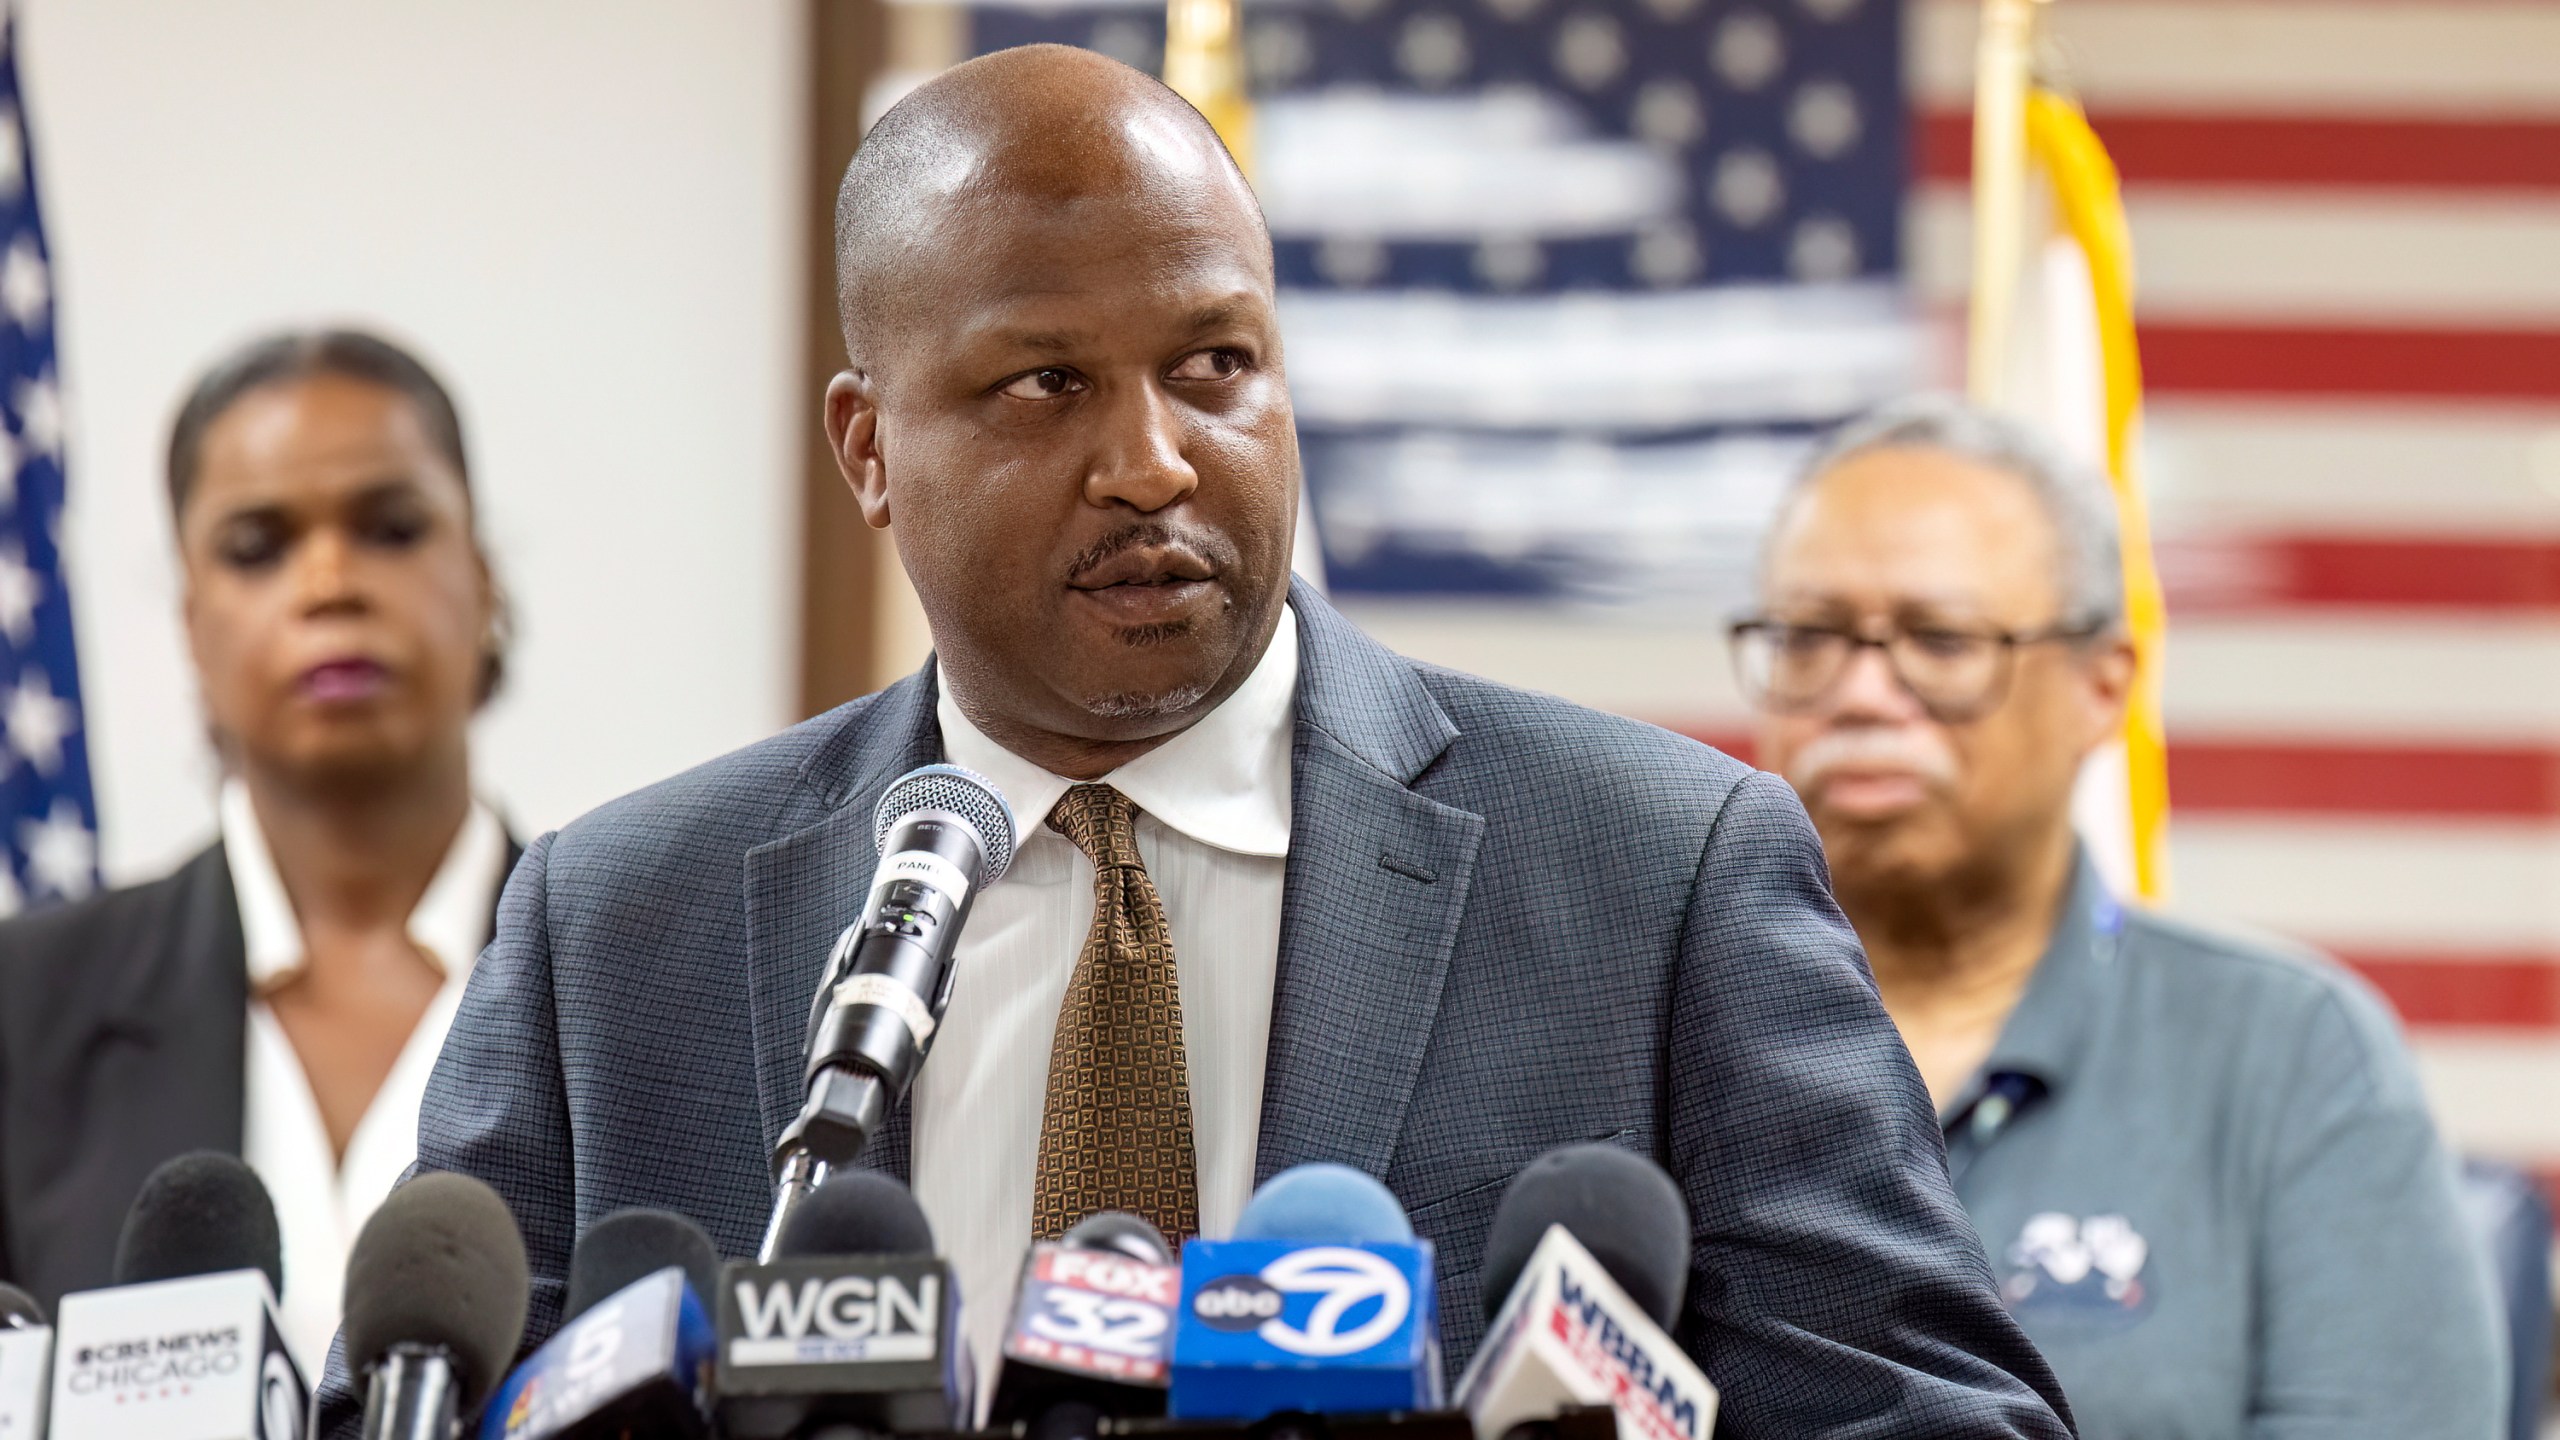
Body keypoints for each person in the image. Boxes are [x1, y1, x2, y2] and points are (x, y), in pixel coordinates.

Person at [319, 49, 2072, 1436]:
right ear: (868, 447)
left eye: (1217, 363)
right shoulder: (615, 935)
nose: (1154, 459)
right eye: (1044, 384)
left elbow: (1934, 1421)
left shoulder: (1657, 878)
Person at [1740, 395, 2503, 1437]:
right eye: (1809, 636)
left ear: (2103, 687)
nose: (1863, 693)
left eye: (1941, 640)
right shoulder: (1642, 1036)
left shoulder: (2291, 1058)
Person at [0, 329, 521, 1376]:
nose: (329, 581)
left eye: (389, 528)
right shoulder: (21, 1008)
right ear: (193, 623)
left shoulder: (637, 989)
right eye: (258, 546)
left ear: (482, 581)